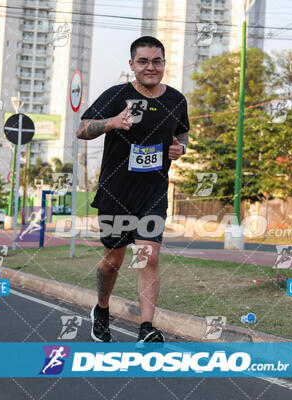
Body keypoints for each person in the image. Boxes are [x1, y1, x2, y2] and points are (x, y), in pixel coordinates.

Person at [77, 36, 189, 343]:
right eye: (143, 61)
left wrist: (180, 150)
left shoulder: (176, 100)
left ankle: (146, 327)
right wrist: (111, 122)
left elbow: (182, 134)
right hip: (116, 191)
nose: (150, 67)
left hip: (153, 192)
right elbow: (82, 129)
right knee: (113, 259)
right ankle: (101, 309)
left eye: (156, 61)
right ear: (132, 65)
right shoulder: (117, 96)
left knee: (148, 256)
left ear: (164, 64)